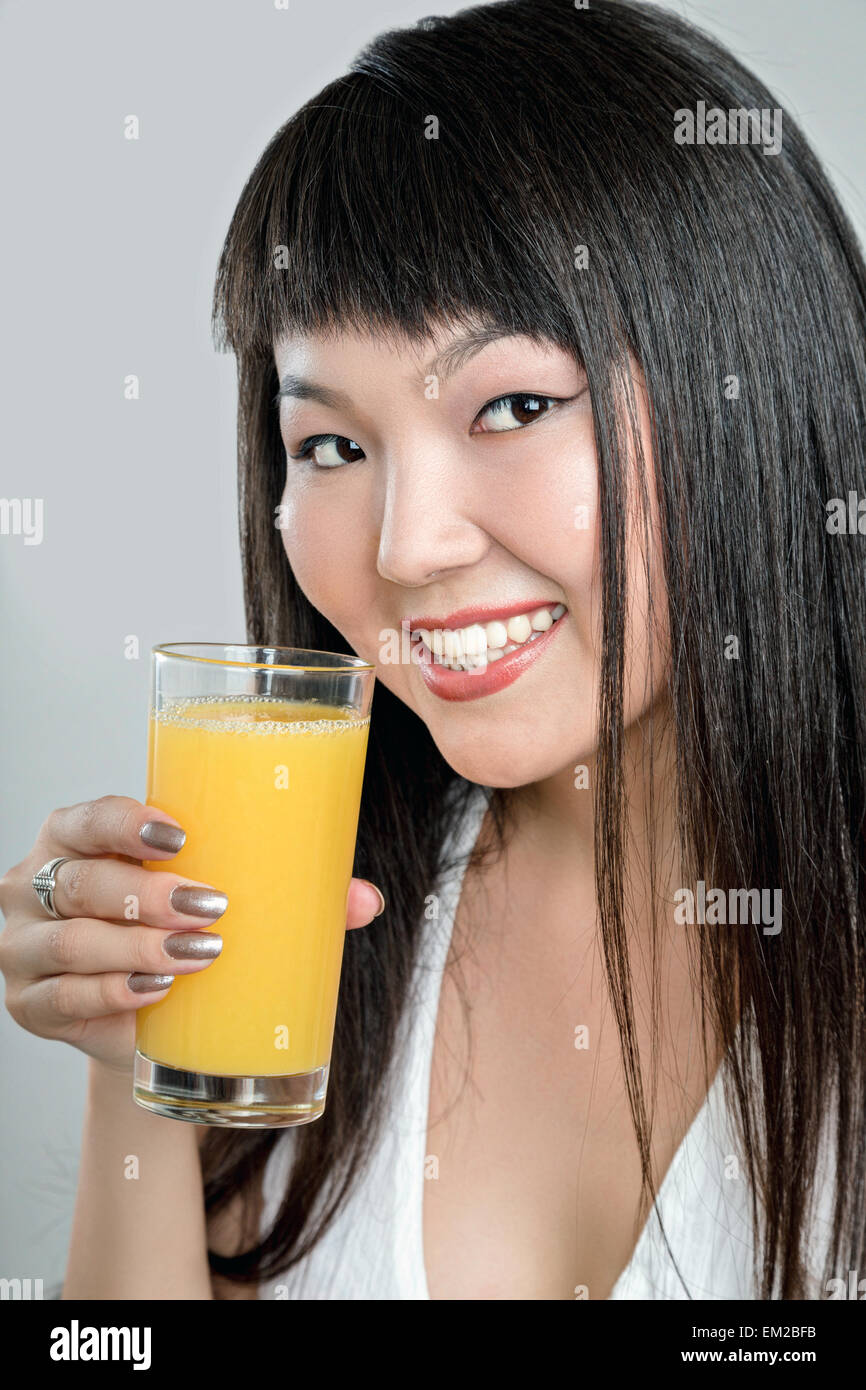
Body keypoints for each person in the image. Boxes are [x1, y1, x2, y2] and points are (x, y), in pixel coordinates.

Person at [2, 0, 865, 1300]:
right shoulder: (314, 918)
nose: (407, 547)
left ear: (745, 380)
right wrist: (141, 1079)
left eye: (511, 404)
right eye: (332, 446)